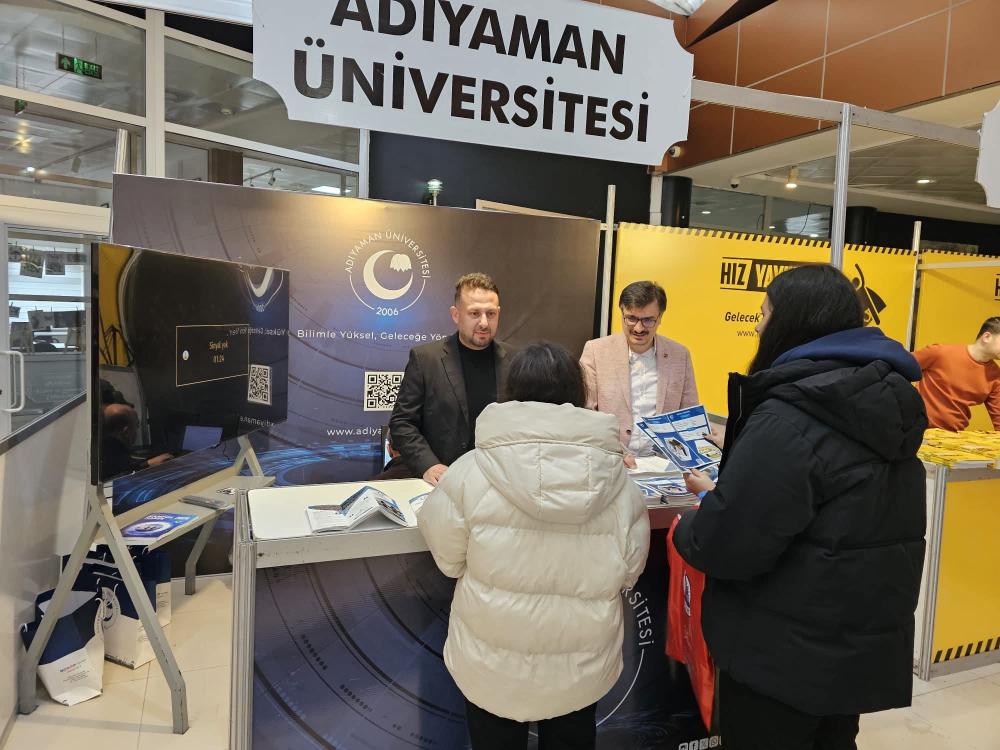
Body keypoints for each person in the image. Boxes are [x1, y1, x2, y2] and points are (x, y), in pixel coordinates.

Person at [673, 264, 927, 750]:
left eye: (765, 313)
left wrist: (694, 518)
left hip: (780, 657)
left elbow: (726, 545)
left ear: (792, 320)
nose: (760, 325)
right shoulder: (883, 401)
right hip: (848, 648)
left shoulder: (790, 417)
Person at [418, 342, 650, 750]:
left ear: (512, 391)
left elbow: (449, 560)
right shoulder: (618, 481)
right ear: (577, 392)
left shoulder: (471, 471)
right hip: (581, 665)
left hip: (492, 664)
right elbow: (631, 568)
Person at [389, 273, 513, 486]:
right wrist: (428, 465)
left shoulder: (517, 361)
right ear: (456, 315)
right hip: (443, 484)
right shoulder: (425, 359)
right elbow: (402, 422)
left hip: (500, 484)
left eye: (490, 313)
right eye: (474, 313)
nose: (484, 322)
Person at [580, 281, 700, 457]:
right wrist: (615, 450)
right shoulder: (596, 351)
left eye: (648, 320)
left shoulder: (679, 355)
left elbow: (689, 415)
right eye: (631, 318)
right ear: (622, 314)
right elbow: (584, 413)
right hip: (610, 457)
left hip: (662, 461)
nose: (638, 328)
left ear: (660, 317)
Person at [913, 317, 1000, 431]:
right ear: (986, 337)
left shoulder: (996, 376)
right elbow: (900, 366)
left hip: (954, 436)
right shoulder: (940, 353)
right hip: (917, 430)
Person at [100, 403, 172, 481]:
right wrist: (147, 465)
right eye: (137, 425)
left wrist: (147, 463)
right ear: (126, 431)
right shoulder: (111, 452)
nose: (137, 429)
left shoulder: (106, 446)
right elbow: (119, 478)